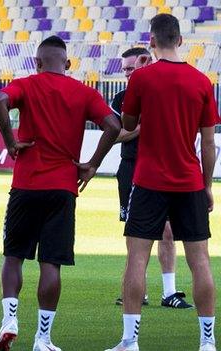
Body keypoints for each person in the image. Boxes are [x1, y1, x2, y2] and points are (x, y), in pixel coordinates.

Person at [0, 36, 120, 351]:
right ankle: (43, 338)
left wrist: (10, 141)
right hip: (62, 189)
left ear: (37, 62)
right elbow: (114, 125)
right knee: (51, 263)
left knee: (14, 256)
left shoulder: (27, 84)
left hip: (25, 184)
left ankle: (9, 319)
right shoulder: (84, 92)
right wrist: (91, 164)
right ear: (68, 63)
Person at [106, 14, 218, 351]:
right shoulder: (202, 81)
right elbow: (208, 144)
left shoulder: (142, 78)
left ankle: (130, 340)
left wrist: (142, 70)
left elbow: (127, 121)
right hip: (189, 182)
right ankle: (207, 343)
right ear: (181, 40)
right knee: (200, 261)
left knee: (137, 259)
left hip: (149, 181)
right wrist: (208, 186)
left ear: (152, 42)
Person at [111, 47, 192, 309]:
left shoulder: (161, 89)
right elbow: (116, 134)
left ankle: (169, 292)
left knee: (167, 231)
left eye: (130, 68)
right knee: (135, 234)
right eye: (124, 69)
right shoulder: (120, 98)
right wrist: (143, 125)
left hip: (162, 167)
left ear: (145, 64)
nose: (126, 73)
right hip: (131, 166)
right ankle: (137, 290)